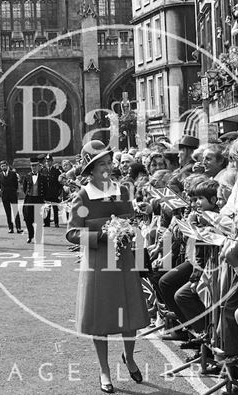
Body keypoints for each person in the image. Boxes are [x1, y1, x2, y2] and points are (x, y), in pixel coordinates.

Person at [66, 140, 149, 393]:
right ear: (90, 170)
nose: (107, 167)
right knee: (100, 318)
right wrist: (101, 235)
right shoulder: (82, 196)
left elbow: (130, 220)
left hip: (122, 260)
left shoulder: (123, 191)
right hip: (99, 263)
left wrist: (130, 228)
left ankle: (130, 357)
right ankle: (104, 369)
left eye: (108, 162)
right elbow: (71, 233)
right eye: (100, 163)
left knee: (129, 314)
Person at [22, 157, 47, 243]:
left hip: (39, 200)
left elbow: (46, 189)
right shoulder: (27, 176)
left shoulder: (43, 177)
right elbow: (24, 188)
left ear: (39, 166)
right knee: (28, 219)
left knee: (39, 220)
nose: (34, 167)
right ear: (30, 167)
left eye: (35, 166)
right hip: (29, 199)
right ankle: (30, 235)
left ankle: (38, 237)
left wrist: (44, 201)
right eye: (32, 166)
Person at [0, 160, 23, 234]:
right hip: (4, 196)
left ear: (7, 166)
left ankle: (18, 227)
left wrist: (13, 191)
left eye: (4, 165)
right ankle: (10, 228)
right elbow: (0, 185)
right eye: (2, 166)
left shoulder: (13, 173)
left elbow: (16, 184)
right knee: (7, 212)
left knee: (15, 211)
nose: (3, 167)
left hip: (12, 195)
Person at [42, 153, 63, 228]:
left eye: (49, 161)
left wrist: (59, 193)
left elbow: (59, 183)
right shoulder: (43, 170)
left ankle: (56, 222)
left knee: (55, 208)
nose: (48, 163)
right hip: (46, 192)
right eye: (47, 161)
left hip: (54, 192)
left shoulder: (56, 171)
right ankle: (46, 222)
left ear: (52, 161)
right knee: (46, 208)